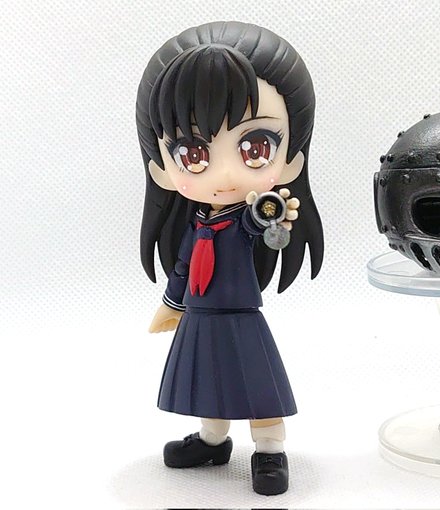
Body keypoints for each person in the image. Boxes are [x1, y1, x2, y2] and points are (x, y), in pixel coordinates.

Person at [135, 21, 323, 496]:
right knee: (206, 381)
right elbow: (183, 269)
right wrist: (171, 305)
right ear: (161, 168)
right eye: (192, 153)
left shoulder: (243, 219)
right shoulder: (198, 223)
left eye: (255, 148)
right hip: (199, 317)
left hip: (241, 317)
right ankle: (213, 440)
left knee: (258, 385)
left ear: (291, 159)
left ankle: (269, 449)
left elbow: (258, 225)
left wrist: (269, 216)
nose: (224, 173)